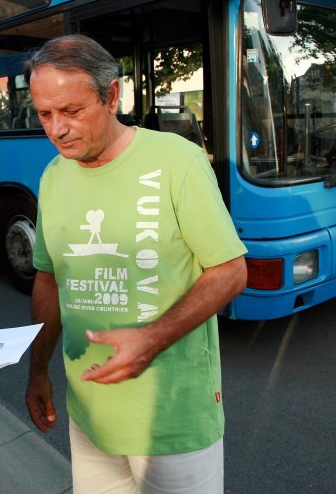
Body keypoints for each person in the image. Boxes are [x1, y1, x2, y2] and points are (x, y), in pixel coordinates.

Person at [24, 34, 248, 494]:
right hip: (88, 415)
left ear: (111, 96)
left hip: (171, 417)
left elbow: (230, 271)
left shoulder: (175, 160)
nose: (57, 129)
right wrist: (38, 370)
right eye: (45, 114)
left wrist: (152, 339)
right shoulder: (52, 177)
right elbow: (49, 282)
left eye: (71, 111)